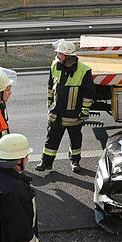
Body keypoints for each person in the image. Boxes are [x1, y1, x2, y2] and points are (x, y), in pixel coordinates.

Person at [36, 39, 94, 173]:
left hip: (74, 113)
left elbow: (89, 92)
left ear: (67, 56)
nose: (57, 56)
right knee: (51, 139)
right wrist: (49, 103)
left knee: (75, 140)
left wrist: (84, 110)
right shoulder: (55, 64)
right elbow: (50, 85)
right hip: (56, 112)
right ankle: (46, 162)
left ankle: (75, 162)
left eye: (60, 54)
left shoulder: (84, 70)